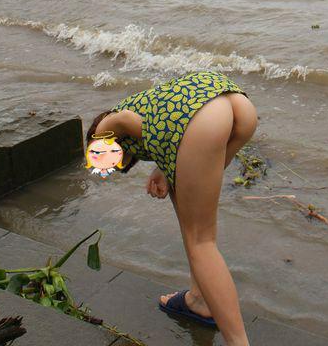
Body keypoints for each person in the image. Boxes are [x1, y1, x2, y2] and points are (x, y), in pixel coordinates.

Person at [86, 69, 258, 346]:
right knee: (194, 224)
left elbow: (124, 120)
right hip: (236, 105)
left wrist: (97, 144)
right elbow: (168, 130)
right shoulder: (151, 108)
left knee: (201, 240)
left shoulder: (104, 129)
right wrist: (164, 168)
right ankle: (198, 299)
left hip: (201, 116)